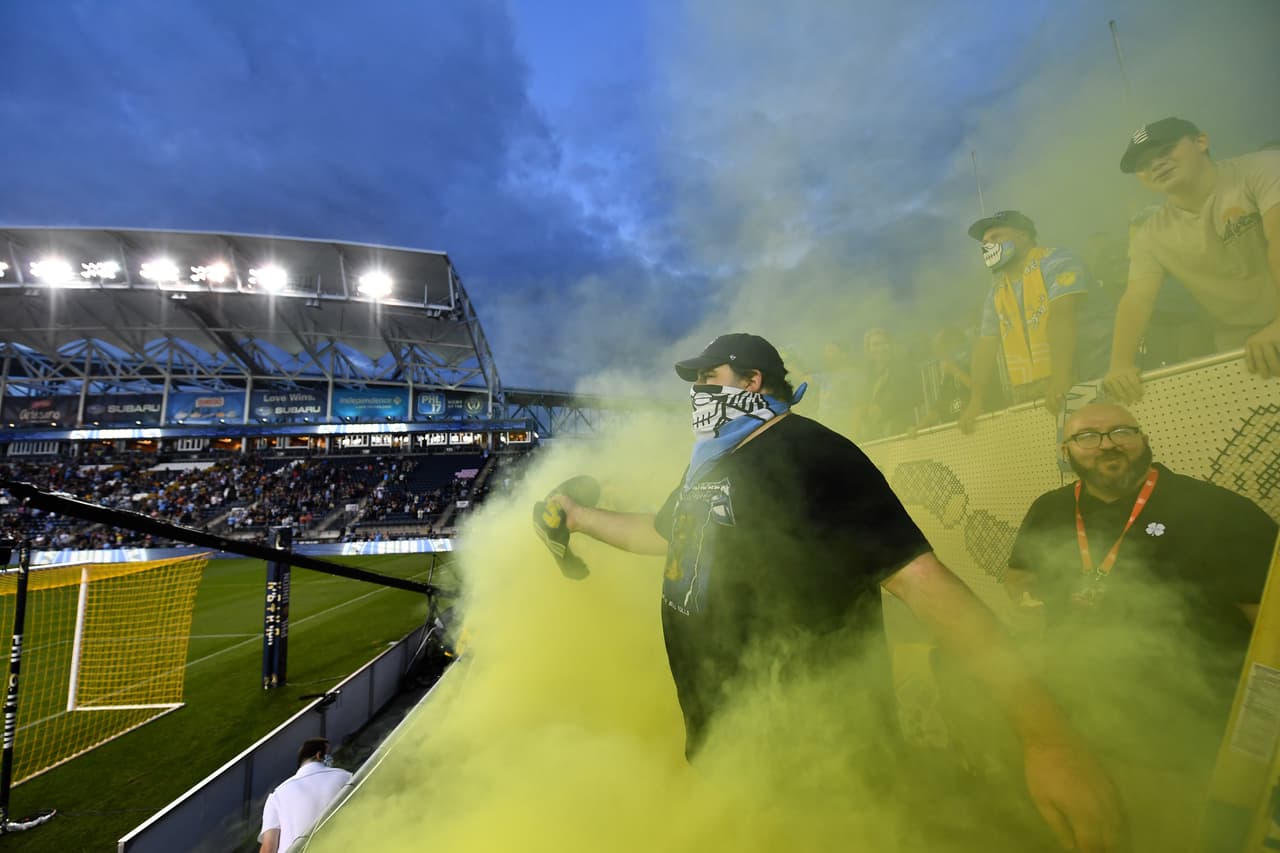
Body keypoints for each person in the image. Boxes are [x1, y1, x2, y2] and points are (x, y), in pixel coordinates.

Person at [545, 332, 1125, 851]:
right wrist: (578, 517)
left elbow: (926, 587)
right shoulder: (713, 462)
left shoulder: (813, 453)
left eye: (709, 380)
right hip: (730, 744)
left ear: (752, 382)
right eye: (693, 385)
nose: (697, 394)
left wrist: (1049, 742)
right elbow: (663, 534)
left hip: (819, 751)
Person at [1005, 402, 1275, 758]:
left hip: (1196, 724)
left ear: (1144, 440)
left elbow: (1271, 627)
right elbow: (1019, 578)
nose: (1107, 444)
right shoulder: (1048, 509)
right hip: (1082, 712)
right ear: (1065, 451)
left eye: (1122, 432)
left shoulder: (1216, 510)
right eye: (1087, 436)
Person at [1104, 117, 1280, 402]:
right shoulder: (1150, 234)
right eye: (1143, 164)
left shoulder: (1263, 168)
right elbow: (1137, 298)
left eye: (1166, 151)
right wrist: (1119, 364)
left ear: (1201, 142)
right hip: (1238, 344)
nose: (1155, 165)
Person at [958, 210, 1113, 432]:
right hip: (1044, 392)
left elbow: (1062, 315)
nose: (988, 246)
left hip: (1094, 378)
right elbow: (985, 345)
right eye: (984, 243)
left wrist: (1060, 377)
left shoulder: (1058, 260)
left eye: (996, 237)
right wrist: (976, 400)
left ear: (1023, 235)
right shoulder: (997, 290)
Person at [258, 737, 352, 853]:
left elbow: (268, 848)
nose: (331, 759)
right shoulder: (346, 778)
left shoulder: (277, 795)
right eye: (329, 754)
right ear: (318, 755)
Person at [850, 327, 922, 440]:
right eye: (875, 344)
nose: (881, 348)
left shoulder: (904, 368)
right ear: (868, 349)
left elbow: (913, 398)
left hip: (901, 429)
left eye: (884, 343)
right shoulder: (866, 373)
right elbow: (859, 401)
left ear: (890, 345)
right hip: (871, 432)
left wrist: (883, 408)